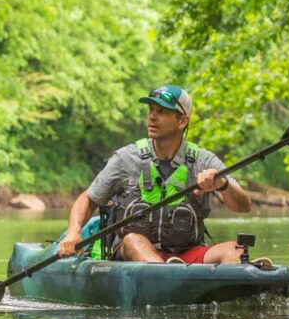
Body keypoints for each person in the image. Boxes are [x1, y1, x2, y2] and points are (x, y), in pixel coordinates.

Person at [57, 84, 253, 264]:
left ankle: (240, 288)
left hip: (186, 253)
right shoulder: (126, 158)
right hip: (133, 253)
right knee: (134, 240)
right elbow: (88, 198)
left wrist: (223, 185)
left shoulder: (203, 161)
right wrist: (74, 232)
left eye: (162, 112)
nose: (152, 116)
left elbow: (243, 206)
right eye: (151, 110)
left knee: (236, 250)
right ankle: (170, 278)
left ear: (182, 121)